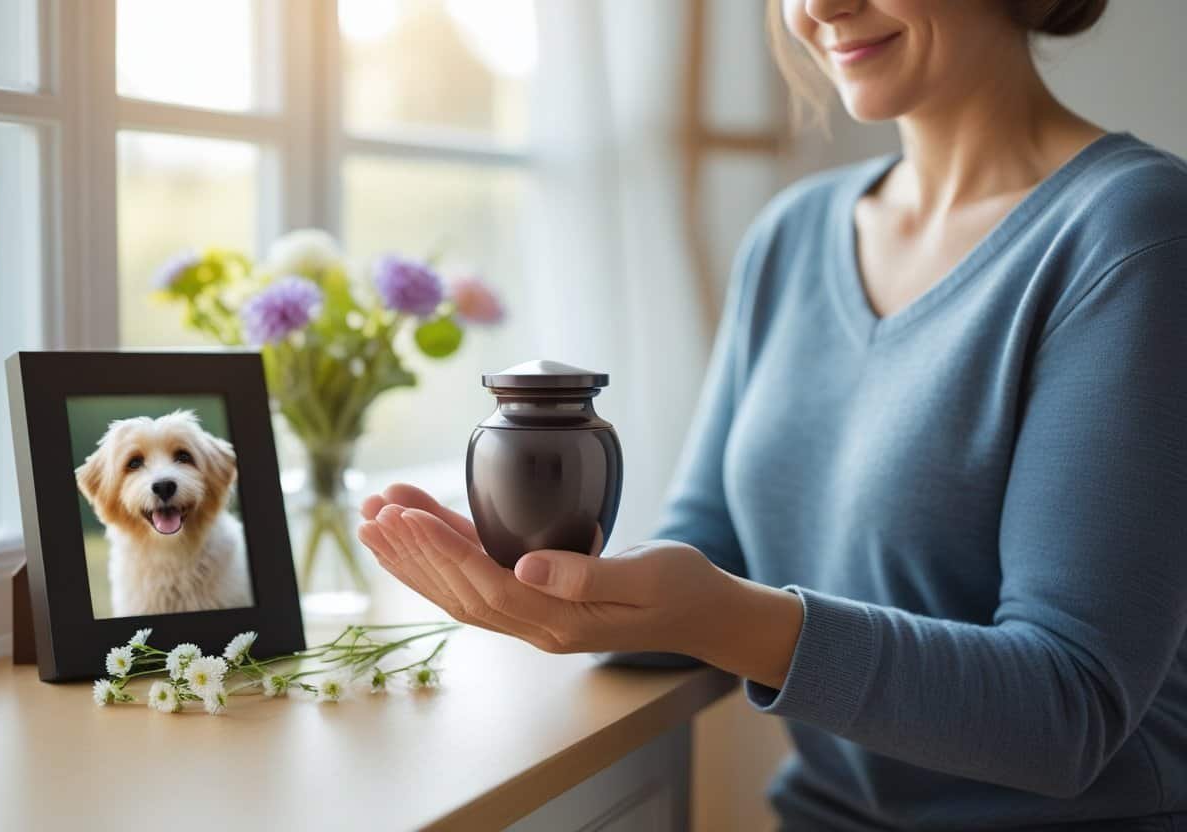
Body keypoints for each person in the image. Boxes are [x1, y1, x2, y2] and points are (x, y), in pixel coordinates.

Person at [357, 0, 1187, 828]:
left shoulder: (1135, 235)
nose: (820, 8)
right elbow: (707, 546)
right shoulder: (792, 235)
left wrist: (713, 614)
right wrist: (551, 585)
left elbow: (1066, 713)